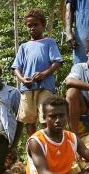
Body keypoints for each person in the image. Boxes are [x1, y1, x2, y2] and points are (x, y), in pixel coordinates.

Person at [12, 8, 63, 137]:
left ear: (43, 25)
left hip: (45, 87)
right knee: (29, 120)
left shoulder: (49, 42)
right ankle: (34, 145)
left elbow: (57, 62)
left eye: (36, 25)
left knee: (46, 118)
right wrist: (22, 80)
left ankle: (48, 143)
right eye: (29, 26)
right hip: (27, 88)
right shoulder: (24, 46)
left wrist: (44, 74)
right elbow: (16, 67)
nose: (32, 28)